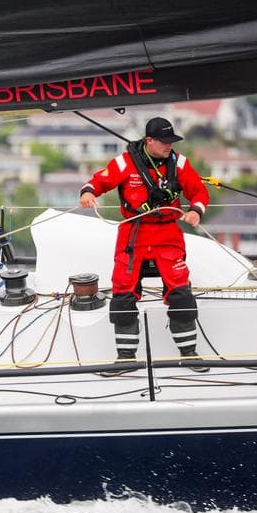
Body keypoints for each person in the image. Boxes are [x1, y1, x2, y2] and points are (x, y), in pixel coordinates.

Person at [79, 116, 210, 370]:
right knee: (122, 293)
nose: (169, 146)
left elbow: (199, 191)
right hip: (133, 234)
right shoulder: (125, 162)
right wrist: (87, 192)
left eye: (172, 141)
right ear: (149, 140)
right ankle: (126, 358)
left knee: (181, 292)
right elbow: (99, 180)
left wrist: (196, 210)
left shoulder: (179, 163)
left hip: (168, 233)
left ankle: (189, 353)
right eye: (164, 142)